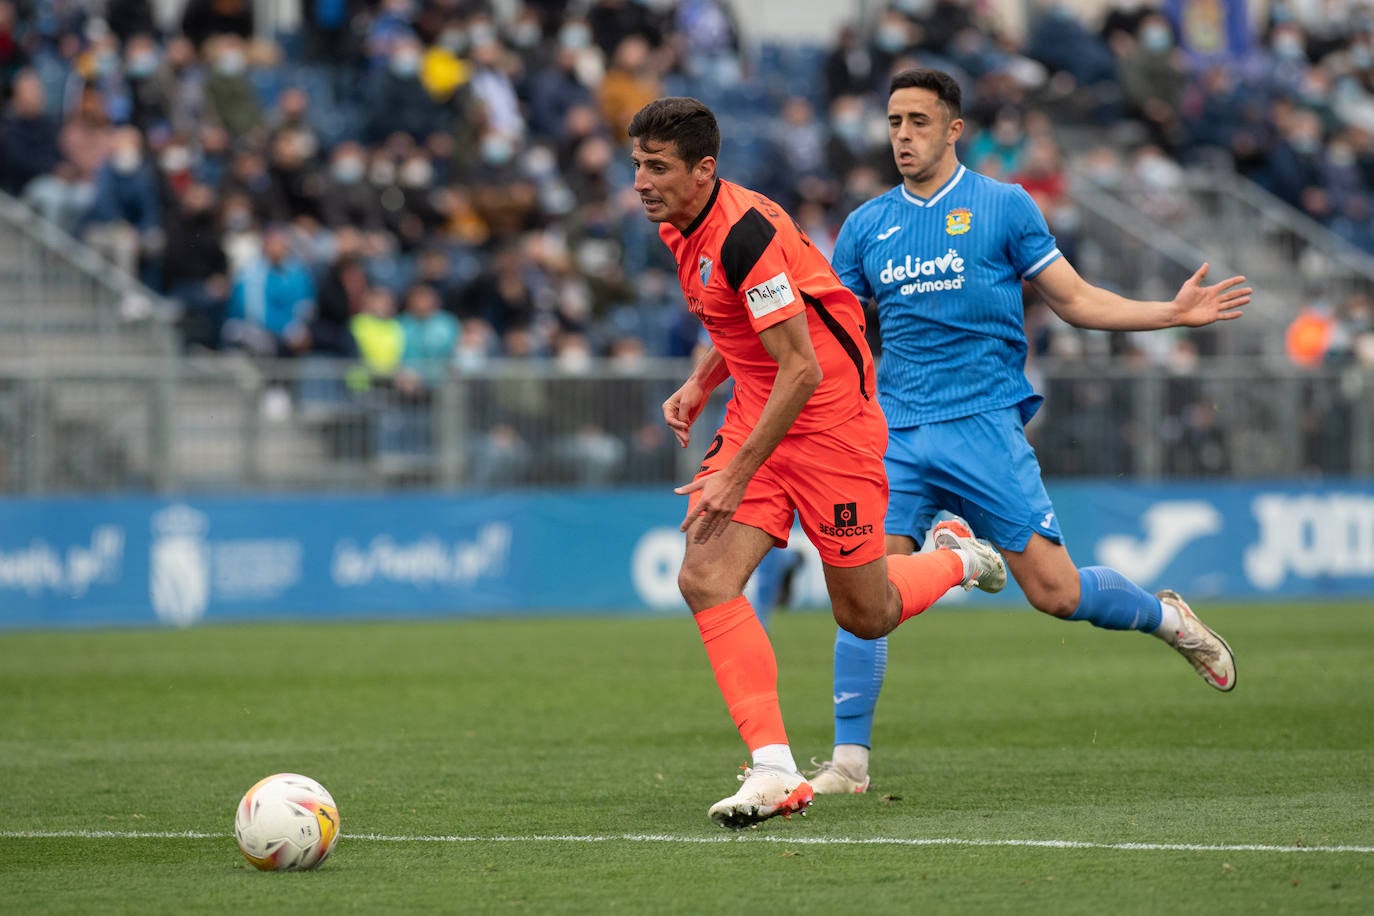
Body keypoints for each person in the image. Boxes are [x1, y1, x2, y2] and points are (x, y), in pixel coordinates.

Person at [807, 67, 1252, 796]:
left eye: (919, 122)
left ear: (955, 129)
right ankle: (848, 763)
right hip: (895, 433)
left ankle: (1166, 617)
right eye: (893, 123)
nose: (903, 136)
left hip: (983, 426)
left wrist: (1169, 314)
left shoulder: (1002, 207)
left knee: (1055, 593)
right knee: (864, 591)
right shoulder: (865, 226)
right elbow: (828, 334)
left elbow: (1075, 300)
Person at [627, 96, 1007, 830]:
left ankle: (957, 557)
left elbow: (800, 367)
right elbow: (735, 321)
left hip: (829, 419)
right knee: (704, 577)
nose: (640, 181)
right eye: (637, 165)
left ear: (704, 170)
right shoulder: (681, 225)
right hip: (759, 413)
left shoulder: (745, 233)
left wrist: (734, 472)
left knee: (865, 615)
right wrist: (700, 383)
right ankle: (772, 767)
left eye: (656, 168)